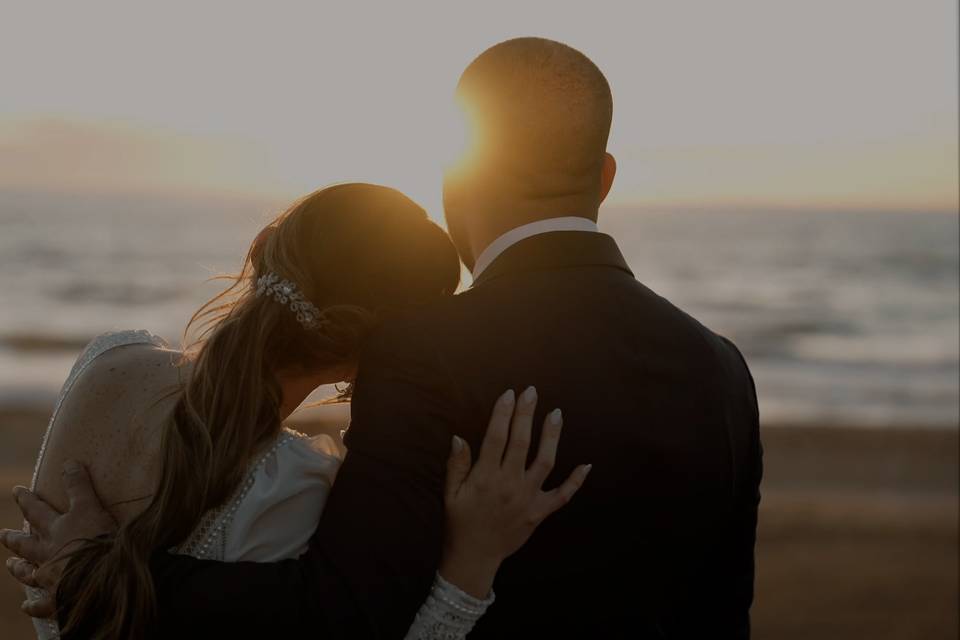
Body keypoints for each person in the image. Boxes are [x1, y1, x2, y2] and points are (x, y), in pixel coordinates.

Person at [5, 37, 762, 638]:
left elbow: (342, 612)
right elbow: (723, 619)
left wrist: (99, 569)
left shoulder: (427, 348)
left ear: (457, 178)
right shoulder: (724, 371)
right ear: (603, 177)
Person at [1, 183, 590, 639]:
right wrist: (473, 558)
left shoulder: (108, 359)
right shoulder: (289, 487)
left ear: (267, 251)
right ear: (381, 346)